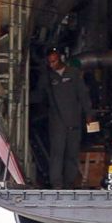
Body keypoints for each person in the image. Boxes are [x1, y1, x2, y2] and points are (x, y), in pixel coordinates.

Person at [40, 49, 94, 189]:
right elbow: (40, 95)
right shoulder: (48, 77)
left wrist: (88, 114)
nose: (52, 65)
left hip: (74, 120)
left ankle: (69, 183)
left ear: (60, 59)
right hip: (57, 122)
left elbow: (83, 94)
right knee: (57, 153)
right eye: (49, 62)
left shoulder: (73, 73)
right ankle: (56, 184)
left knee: (72, 153)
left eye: (54, 61)